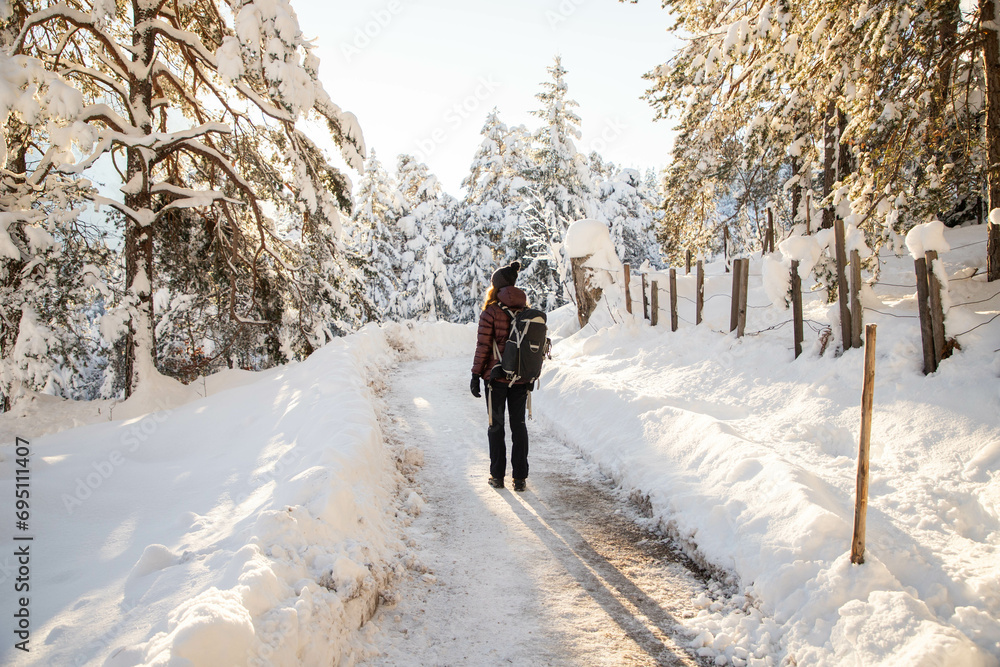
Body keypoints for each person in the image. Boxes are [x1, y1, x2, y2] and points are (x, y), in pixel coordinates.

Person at [470, 261, 530, 491]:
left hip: (496, 379)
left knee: (496, 426)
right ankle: (520, 478)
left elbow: (483, 346)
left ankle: (497, 476)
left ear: (496, 286)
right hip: (522, 377)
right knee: (519, 426)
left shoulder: (491, 312)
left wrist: (476, 374)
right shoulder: (526, 311)